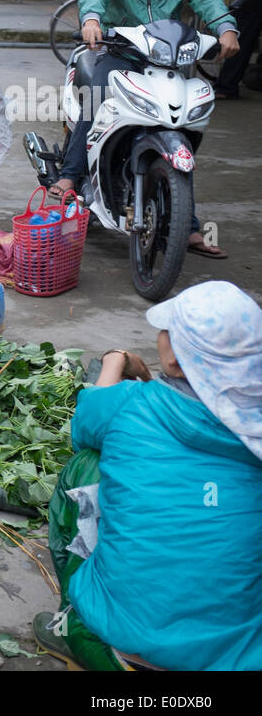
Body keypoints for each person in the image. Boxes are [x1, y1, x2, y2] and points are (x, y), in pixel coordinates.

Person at [34, 281, 262, 671]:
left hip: (126, 646)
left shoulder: (132, 404)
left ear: (173, 358)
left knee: (87, 464)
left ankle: (74, 623)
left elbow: (84, 420)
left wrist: (115, 360)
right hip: (239, 659)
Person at [61, 0, 239, 257]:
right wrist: (92, 19)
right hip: (119, 53)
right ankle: (71, 173)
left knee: (183, 127)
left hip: (167, 59)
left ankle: (186, 223)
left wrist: (226, 28)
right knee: (96, 99)